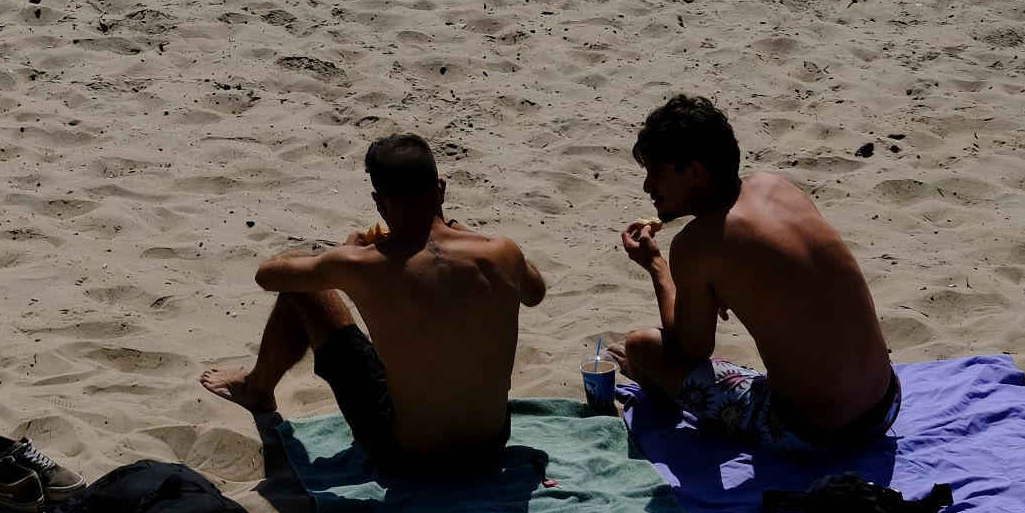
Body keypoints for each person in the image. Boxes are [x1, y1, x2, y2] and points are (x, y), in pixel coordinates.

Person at [203, 134, 547, 476]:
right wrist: (463, 231)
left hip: (408, 455)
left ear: (379, 202)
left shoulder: (362, 263)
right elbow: (535, 292)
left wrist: (345, 252)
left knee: (303, 290)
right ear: (440, 188)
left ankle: (257, 389)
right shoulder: (502, 251)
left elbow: (268, 275)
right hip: (490, 445)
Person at [614, 96, 898, 455]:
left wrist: (656, 266)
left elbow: (690, 349)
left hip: (814, 431)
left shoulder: (697, 243)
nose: (647, 187)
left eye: (657, 173)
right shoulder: (777, 186)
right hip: (885, 405)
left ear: (697, 172)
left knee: (642, 348)